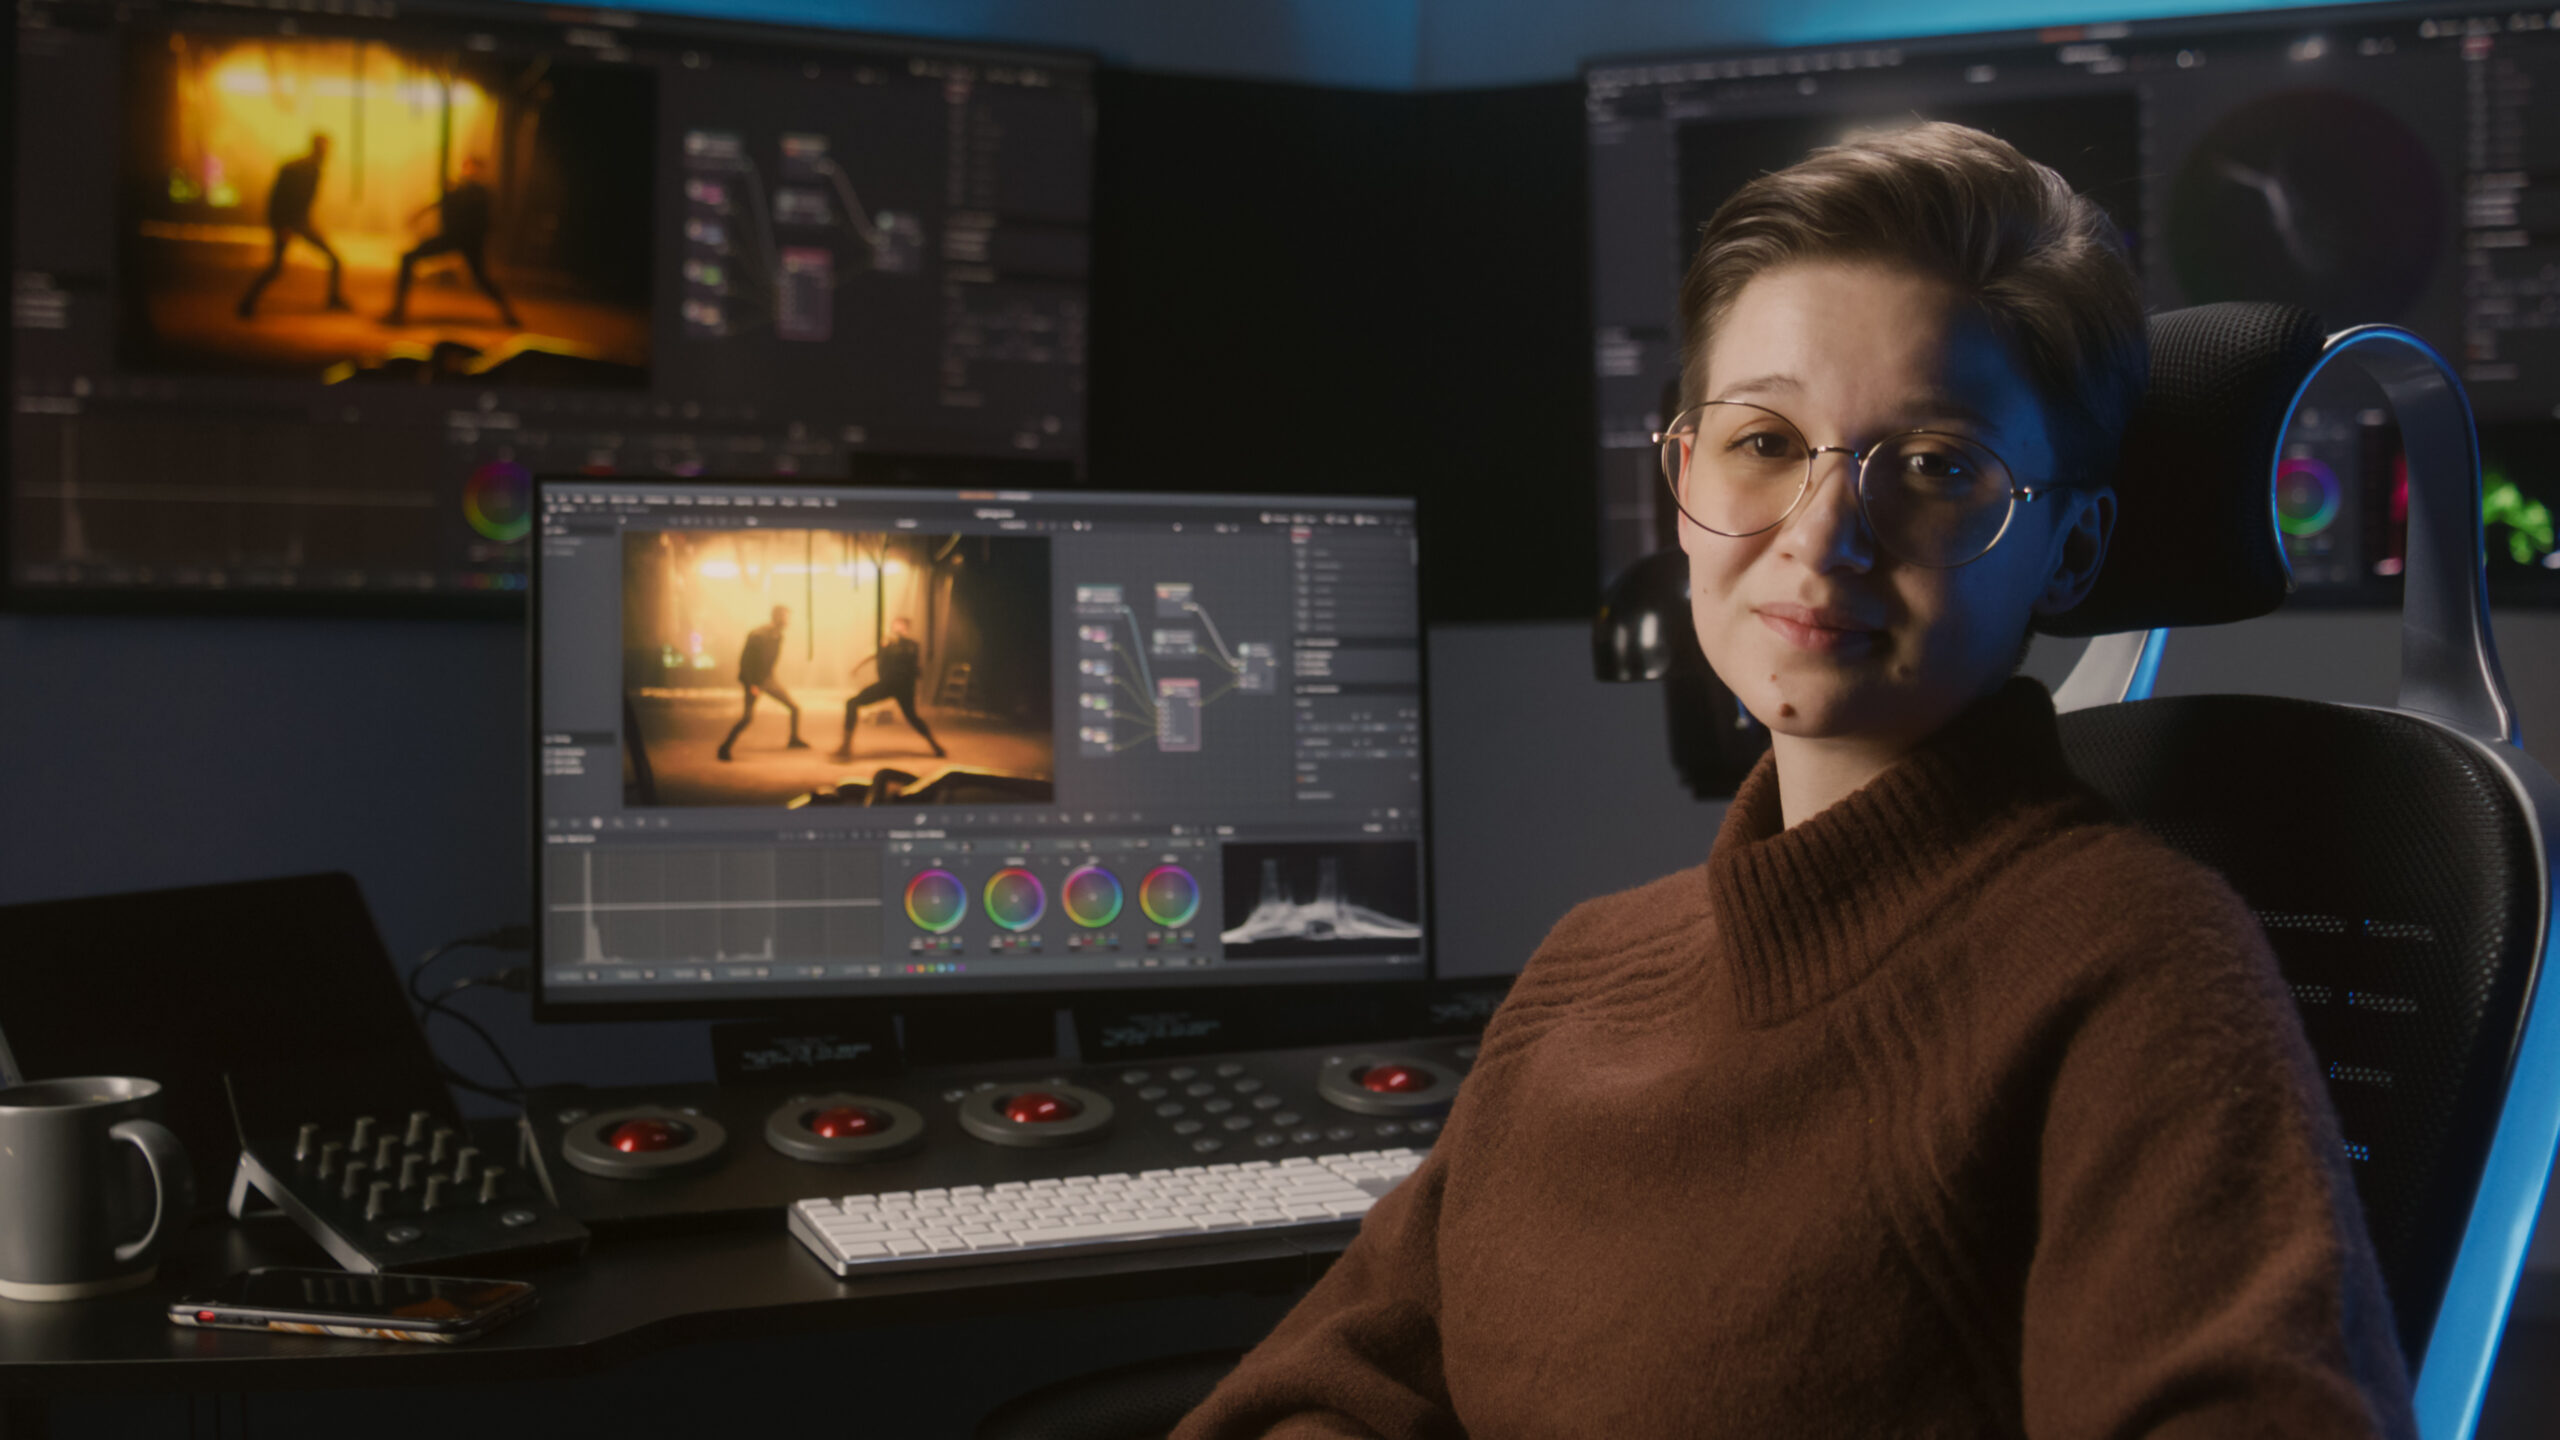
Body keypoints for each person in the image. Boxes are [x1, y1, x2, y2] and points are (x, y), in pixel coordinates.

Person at [1175, 123, 2416, 1439]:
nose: (1822, 542)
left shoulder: (2131, 963)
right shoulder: (1585, 971)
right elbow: (1328, 1390)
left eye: (1935, 467)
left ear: (2069, 547)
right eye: (1764, 441)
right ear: (1681, 482)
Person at [384, 156, 521, 328]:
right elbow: (434, 201)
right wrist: (417, 214)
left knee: (481, 279)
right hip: (449, 238)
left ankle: (509, 314)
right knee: (408, 258)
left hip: (470, 243)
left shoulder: (482, 193)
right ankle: (398, 311)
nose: (470, 170)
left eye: (475, 167)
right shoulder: (454, 187)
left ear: (481, 171)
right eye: (468, 167)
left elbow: (489, 222)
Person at [236, 134, 349, 318]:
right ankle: (247, 303)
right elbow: (281, 199)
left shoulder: (303, 168)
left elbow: (287, 199)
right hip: (291, 222)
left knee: (330, 260)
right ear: (319, 150)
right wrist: (283, 225)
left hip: (296, 221)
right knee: (278, 267)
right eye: (326, 150)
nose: (328, 154)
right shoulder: (301, 169)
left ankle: (333, 298)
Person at [832, 616, 945, 760]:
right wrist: (857, 666)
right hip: (888, 685)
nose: (895, 628)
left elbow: (914, 664)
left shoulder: (911, 645)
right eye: (894, 625)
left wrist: (892, 644)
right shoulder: (888, 644)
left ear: (906, 628)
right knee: (852, 703)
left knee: (912, 717)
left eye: (899, 625)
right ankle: (846, 746)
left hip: (902, 687)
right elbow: (873, 654)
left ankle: (935, 745)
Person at [716, 605, 808, 762]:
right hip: (754, 681)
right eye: (785, 617)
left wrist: (769, 676)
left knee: (794, 708)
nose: (787, 621)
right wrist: (752, 684)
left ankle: (794, 739)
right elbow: (745, 662)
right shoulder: (758, 635)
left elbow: (769, 661)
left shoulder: (778, 636)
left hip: (768, 679)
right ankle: (724, 748)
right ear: (777, 617)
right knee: (747, 717)